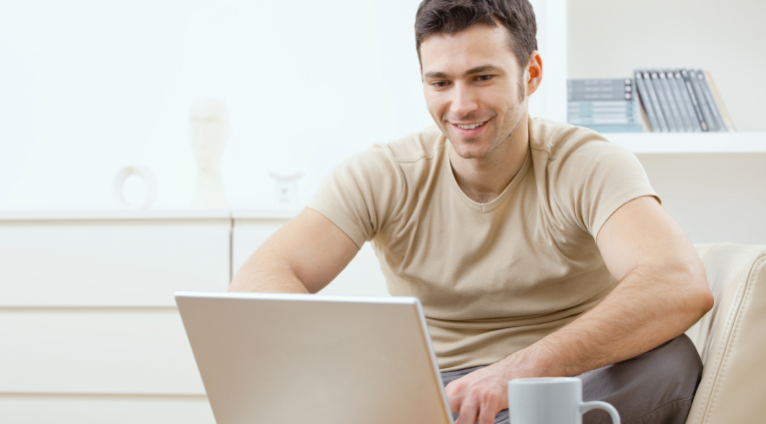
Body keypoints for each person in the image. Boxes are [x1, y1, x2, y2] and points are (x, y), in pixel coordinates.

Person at [228, 0, 714, 423]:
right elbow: (260, 278)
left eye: (482, 77)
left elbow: (678, 282)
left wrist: (517, 373)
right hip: (435, 394)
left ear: (531, 74)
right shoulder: (383, 174)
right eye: (440, 82)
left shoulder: (588, 164)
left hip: (562, 384)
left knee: (671, 362)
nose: (460, 105)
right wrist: (348, 368)